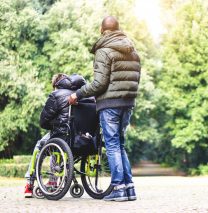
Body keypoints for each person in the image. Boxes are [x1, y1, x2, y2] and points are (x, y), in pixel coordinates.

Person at [69, 16, 141, 202]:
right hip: (127, 103)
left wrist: (78, 94)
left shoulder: (104, 50)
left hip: (110, 104)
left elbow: (99, 84)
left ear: (102, 30)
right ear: (118, 28)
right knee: (120, 144)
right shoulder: (132, 50)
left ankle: (117, 188)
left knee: (112, 144)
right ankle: (129, 188)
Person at [24, 73, 86, 198]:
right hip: (83, 137)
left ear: (56, 85)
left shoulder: (56, 95)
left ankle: (31, 182)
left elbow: (43, 121)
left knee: (43, 145)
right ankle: (53, 180)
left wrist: (52, 125)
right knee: (56, 144)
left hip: (63, 134)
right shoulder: (84, 95)